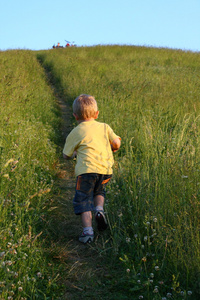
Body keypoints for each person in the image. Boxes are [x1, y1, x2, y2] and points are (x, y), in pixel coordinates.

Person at [63, 94, 121, 244]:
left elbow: (66, 155)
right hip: (105, 169)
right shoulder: (104, 127)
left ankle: (88, 232)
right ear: (97, 114)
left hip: (86, 171)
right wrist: (113, 147)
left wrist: (75, 153)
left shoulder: (76, 132)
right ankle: (99, 210)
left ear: (75, 116)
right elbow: (116, 142)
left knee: (83, 199)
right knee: (99, 191)